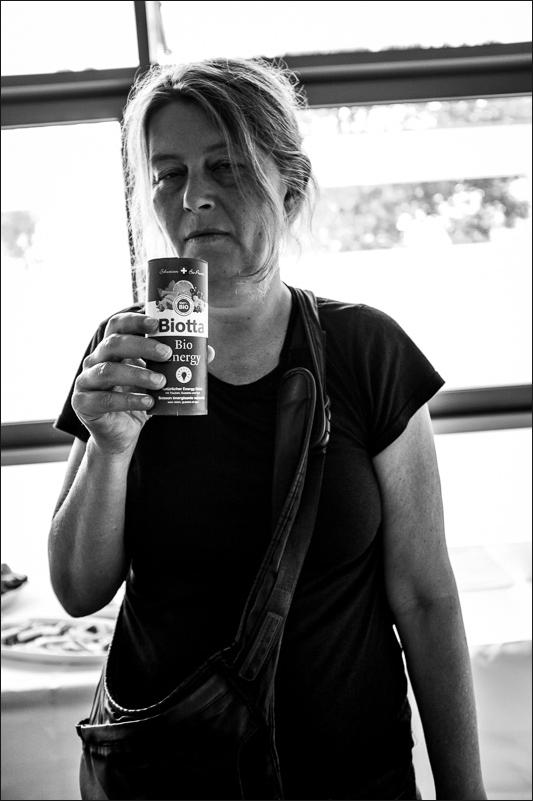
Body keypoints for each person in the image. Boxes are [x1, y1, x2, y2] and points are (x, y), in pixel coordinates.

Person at [48, 57, 487, 800]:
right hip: (167, 775)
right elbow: (77, 588)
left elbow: (424, 596)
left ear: (290, 188)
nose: (194, 197)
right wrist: (109, 449)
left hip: (351, 776)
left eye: (225, 166)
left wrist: (464, 791)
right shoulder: (127, 349)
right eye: (168, 173)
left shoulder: (365, 351)